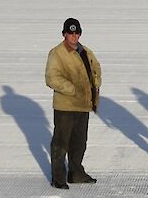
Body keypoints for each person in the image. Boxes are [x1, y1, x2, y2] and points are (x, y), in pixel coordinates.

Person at [45, 18, 101, 189]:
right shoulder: (57, 53)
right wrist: (72, 89)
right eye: (70, 33)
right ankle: (58, 178)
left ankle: (76, 173)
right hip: (66, 106)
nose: (74, 36)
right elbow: (51, 78)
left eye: (77, 33)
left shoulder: (85, 51)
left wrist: (95, 84)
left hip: (84, 105)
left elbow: (95, 69)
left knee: (79, 142)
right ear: (64, 34)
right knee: (61, 143)